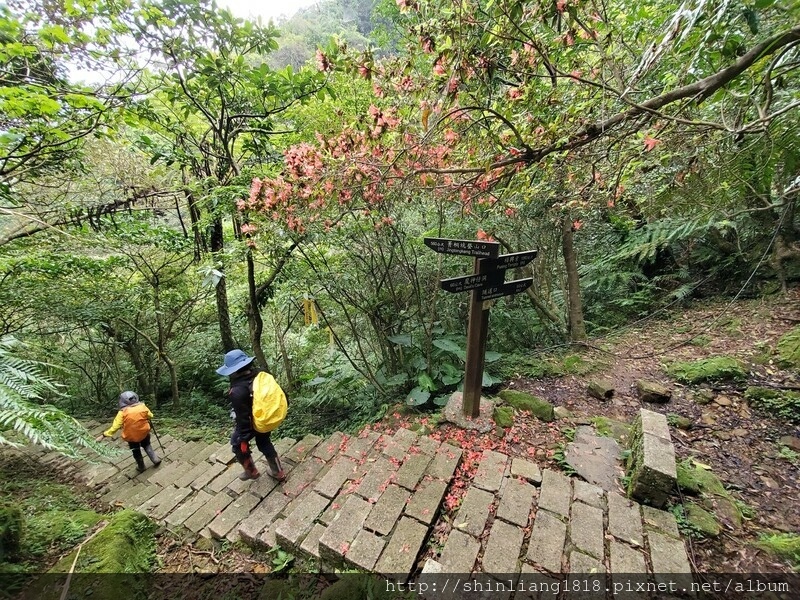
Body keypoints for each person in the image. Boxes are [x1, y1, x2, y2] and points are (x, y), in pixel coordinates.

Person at [216, 349, 285, 482]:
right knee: (264, 442)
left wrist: (243, 439)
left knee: (237, 445)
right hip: (265, 417)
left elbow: (243, 419)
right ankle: (278, 472)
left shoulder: (237, 391)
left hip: (253, 422)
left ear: (234, 371)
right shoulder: (260, 374)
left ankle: (251, 471)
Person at [97, 391, 161, 473]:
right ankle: (155, 459)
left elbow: (115, 427)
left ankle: (141, 466)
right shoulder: (142, 407)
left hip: (131, 436)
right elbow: (150, 416)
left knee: (136, 450)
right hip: (144, 432)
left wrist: (103, 435)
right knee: (147, 445)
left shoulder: (122, 413)